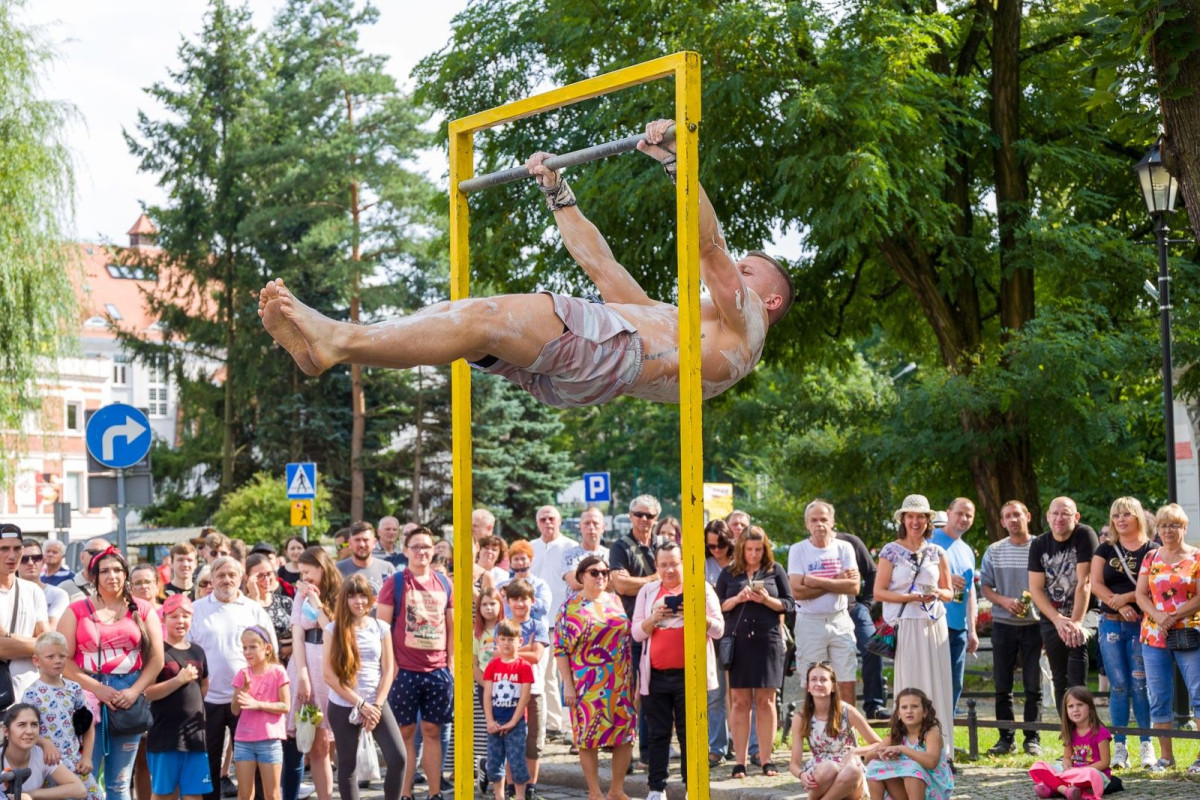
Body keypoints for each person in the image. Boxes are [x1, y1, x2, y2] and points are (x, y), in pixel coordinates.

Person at [258, 118, 793, 409]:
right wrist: (559, 194)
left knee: (483, 316)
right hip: (592, 375)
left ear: (769, 301)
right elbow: (601, 268)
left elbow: (710, 250)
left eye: (749, 275)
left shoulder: (747, 330)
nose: (736, 278)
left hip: (614, 352)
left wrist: (681, 162)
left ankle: (338, 341)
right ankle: (335, 346)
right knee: (467, 326)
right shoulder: (681, 325)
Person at [57, 547, 164, 800]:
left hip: (128, 696)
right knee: (83, 776)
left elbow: (157, 659)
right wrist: (97, 689)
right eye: (104, 571)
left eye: (117, 570)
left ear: (126, 574)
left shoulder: (143, 608)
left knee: (119, 782)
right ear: (93, 577)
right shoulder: (76, 610)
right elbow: (63, 661)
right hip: (86, 695)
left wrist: (134, 691)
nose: (112, 575)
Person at [631, 541, 724, 800]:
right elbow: (636, 633)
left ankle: (690, 787)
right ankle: (656, 788)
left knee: (689, 734)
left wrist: (696, 615)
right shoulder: (648, 592)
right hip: (657, 676)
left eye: (674, 563)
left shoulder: (701, 588)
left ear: (683, 562)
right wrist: (654, 619)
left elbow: (719, 629)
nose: (669, 570)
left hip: (690, 676)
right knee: (658, 734)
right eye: (663, 565)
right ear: (656, 566)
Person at [872, 494, 954, 762]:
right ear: (903, 520)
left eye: (920, 517)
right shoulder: (890, 551)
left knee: (937, 684)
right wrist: (910, 597)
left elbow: (950, 592)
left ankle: (941, 751)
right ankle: (907, 747)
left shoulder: (937, 552)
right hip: (906, 624)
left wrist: (936, 593)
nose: (915, 521)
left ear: (928, 520)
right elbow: (879, 592)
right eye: (911, 516)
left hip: (933, 624)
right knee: (910, 684)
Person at [188, 557, 275, 800]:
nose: (226, 580)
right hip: (207, 699)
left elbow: (271, 652)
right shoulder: (196, 609)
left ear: (241, 578)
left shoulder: (254, 609)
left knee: (250, 763)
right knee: (209, 763)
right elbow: (186, 651)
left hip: (248, 700)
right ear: (212, 578)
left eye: (232, 575)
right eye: (221, 575)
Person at [377, 526, 454, 800]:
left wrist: (451, 666)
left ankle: (435, 793)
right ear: (406, 550)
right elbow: (381, 629)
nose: (422, 551)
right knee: (405, 732)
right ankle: (406, 793)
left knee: (433, 731)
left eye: (427, 547)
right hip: (404, 671)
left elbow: (451, 628)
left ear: (434, 551)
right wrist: (391, 667)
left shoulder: (445, 583)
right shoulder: (395, 583)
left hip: (437, 671)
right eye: (416, 546)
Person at [553, 555, 636, 800]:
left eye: (604, 572)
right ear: (581, 577)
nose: (601, 576)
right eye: (594, 572)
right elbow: (560, 649)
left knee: (625, 735)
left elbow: (628, 640)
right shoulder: (569, 607)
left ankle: (616, 790)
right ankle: (594, 791)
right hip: (586, 682)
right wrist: (567, 684)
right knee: (588, 738)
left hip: (620, 681)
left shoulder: (615, 601)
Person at [714, 525, 794, 778]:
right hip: (739, 641)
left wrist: (765, 600)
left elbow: (789, 604)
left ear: (765, 549)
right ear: (741, 549)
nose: (754, 554)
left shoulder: (775, 570)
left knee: (766, 701)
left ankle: (766, 758)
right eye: (749, 549)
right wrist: (738, 598)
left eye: (758, 549)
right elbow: (718, 606)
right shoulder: (729, 573)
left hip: (767, 640)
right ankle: (740, 761)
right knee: (739, 701)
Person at [322, 575, 405, 800]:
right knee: (348, 765)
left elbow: (389, 670)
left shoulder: (381, 627)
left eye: (362, 595)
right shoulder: (332, 630)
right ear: (344, 600)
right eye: (352, 596)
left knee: (398, 758)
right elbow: (329, 675)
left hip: (377, 702)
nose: (358, 601)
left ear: (370, 599)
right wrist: (360, 704)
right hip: (344, 704)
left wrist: (375, 706)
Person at [1090, 496, 1157, 770]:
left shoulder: (1152, 550)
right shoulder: (1104, 549)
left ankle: (1146, 745)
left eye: (1126, 514)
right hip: (1110, 624)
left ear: (1138, 517)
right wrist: (1117, 603)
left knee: (1141, 687)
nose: (1120, 519)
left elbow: (1153, 586)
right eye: (1115, 515)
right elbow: (1094, 584)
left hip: (1140, 624)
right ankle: (1120, 747)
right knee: (1118, 687)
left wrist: (1127, 600)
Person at [1135, 503, 1200, 774]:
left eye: (1174, 525)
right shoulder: (1151, 557)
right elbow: (1140, 595)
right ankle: (1166, 758)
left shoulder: (1197, 557)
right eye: (1163, 525)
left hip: (1189, 633)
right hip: (1154, 636)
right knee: (1159, 698)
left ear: (1184, 528)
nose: (1168, 530)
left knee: (1198, 695)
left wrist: (1171, 615)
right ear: (1157, 529)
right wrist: (1159, 617)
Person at [980, 500, 1044, 757]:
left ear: (1027, 516)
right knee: (1002, 685)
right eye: (1007, 516)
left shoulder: (1040, 547)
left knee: (1033, 685)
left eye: (1017, 514)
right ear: (1002, 521)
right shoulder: (994, 550)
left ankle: (1032, 738)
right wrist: (1004, 601)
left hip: (1034, 626)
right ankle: (1006, 738)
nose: (1013, 520)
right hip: (1003, 625)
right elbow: (985, 587)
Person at [1030, 496, 1100, 715]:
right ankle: (1068, 737)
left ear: (1076, 517)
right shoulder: (1039, 544)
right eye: (1055, 513)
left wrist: (1076, 623)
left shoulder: (1084, 534)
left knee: (1077, 679)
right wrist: (1058, 619)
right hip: (1053, 616)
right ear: (1048, 517)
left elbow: (1084, 582)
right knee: (1059, 679)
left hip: (1085, 611)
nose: (1059, 518)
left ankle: (1085, 736)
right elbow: (1036, 589)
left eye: (1066, 513)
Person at [787, 500, 860, 703]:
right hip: (810, 622)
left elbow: (854, 587)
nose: (819, 524)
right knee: (813, 682)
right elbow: (797, 591)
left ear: (833, 522)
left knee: (846, 680)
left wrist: (815, 581)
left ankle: (847, 731)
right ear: (806, 524)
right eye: (814, 520)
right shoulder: (798, 550)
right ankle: (815, 732)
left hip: (839, 620)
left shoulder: (844, 548)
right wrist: (837, 581)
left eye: (824, 519)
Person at [609, 494, 662, 766]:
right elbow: (620, 585)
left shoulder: (664, 545)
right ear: (630, 516)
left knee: (652, 693)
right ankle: (624, 755)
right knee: (629, 693)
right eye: (639, 514)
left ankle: (649, 753)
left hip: (664, 629)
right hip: (632, 628)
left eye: (649, 515)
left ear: (656, 519)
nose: (644, 520)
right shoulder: (621, 547)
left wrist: (638, 581)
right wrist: (654, 579)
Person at [145, 594, 211, 800]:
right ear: (163, 619)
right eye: (174, 616)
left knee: (194, 795)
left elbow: (204, 685)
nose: (180, 621)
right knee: (163, 794)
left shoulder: (198, 651)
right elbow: (146, 692)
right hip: (165, 735)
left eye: (185, 616)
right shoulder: (156, 652)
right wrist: (178, 681)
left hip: (195, 736)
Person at [287, 548, 340, 800]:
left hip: (333, 663)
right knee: (317, 744)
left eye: (309, 571)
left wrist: (318, 604)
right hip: (306, 659)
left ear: (322, 567)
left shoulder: (340, 591)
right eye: (301, 573)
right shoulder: (301, 595)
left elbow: (334, 628)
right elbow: (297, 634)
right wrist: (302, 674)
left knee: (337, 741)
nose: (305, 577)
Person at [22, 632, 101, 800]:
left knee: (94, 795)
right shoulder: (31, 694)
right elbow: (24, 729)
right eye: (50, 656)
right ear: (36, 661)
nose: (57, 660)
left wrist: (87, 757)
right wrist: (45, 744)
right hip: (46, 765)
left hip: (74, 762)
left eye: (62, 656)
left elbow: (88, 725)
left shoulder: (74, 689)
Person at [787, 662, 881, 800]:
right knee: (828, 768)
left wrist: (855, 751)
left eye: (823, 679)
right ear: (808, 687)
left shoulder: (847, 711)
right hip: (821, 774)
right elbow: (794, 763)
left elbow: (879, 743)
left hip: (848, 774)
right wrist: (801, 775)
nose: (818, 683)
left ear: (832, 687)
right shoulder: (801, 717)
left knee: (853, 771)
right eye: (813, 679)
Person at [930, 497, 979, 716]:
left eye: (969, 515)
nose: (964, 518)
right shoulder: (930, 540)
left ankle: (945, 740)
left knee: (954, 684)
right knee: (930, 684)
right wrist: (946, 578)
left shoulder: (968, 551)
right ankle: (925, 741)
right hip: (932, 623)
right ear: (948, 513)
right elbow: (914, 577)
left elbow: (970, 594)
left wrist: (973, 630)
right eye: (959, 513)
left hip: (959, 628)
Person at [501, 580, 549, 797]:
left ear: (532, 601)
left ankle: (530, 786)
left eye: (524, 599)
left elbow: (536, 657)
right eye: (515, 599)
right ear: (508, 601)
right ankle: (512, 786)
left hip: (534, 690)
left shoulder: (538, 625)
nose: (520, 604)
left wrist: (514, 652)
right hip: (508, 691)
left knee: (534, 741)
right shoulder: (503, 626)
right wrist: (525, 648)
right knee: (512, 739)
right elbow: (498, 657)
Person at [529, 505, 573, 742]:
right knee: (544, 674)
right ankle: (550, 723)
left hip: (562, 620)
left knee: (563, 674)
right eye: (543, 519)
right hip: (538, 623)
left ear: (560, 521)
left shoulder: (569, 547)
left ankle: (559, 723)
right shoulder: (532, 547)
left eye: (551, 518)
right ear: (537, 522)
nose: (547, 523)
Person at [1029, 687, 1120, 799]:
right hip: (1073, 773)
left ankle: (1053, 788)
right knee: (1039, 766)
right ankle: (1065, 790)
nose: (1075, 709)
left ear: (1090, 707)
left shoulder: (1101, 732)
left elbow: (1105, 763)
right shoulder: (1070, 731)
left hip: (1094, 773)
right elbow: (1067, 757)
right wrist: (1067, 766)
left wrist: (1080, 770)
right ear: (1066, 710)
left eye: (1080, 705)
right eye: (1070, 706)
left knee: (1089, 774)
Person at [231, 626, 289, 800]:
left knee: (273, 794)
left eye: (253, 647)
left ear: (267, 648)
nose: (247, 652)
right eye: (244, 647)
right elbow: (234, 710)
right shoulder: (242, 674)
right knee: (245, 795)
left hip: (269, 741)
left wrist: (258, 704)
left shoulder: (278, 671)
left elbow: (285, 706)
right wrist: (243, 690)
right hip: (243, 741)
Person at [864, 688, 953, 800]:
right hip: (906, 789)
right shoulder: (896, 734)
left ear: (924, 712)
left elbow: (931, 762)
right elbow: (868, 758)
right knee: (875, 766)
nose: (909, 711)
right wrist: (885, 753)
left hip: (934, 790)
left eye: (914, 706)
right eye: (904, 707)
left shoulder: (931, 733)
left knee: (912, 768)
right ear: (899, 714)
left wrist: (902, 749)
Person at [483, 620, 534, 800]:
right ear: (497, 640)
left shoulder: (524, 667)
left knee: (517, 761)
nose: (506, 643)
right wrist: (489, 721)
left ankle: (520, 796)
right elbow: (487, 695)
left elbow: (525, 697)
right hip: (495, 722)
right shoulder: (492, 666)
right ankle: (499, 796)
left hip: (516, 724)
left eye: (511, 639)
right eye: (503, 639)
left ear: (519, 641)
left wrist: (513, 722)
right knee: (495, 761)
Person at [0, 526, 50, 702]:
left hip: (30, 697)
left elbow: (48, 645)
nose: (12, 555)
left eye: (17, 548)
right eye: (4, 548)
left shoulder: (33, 591)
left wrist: (8, 636)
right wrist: (34, 645)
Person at [0, 703, 87, 800]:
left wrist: (32, 794)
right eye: (21, 725)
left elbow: (80, 789)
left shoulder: (41, 756)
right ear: (6, 731)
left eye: (34, 725)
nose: (29, 731)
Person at [703, 519, 734, 766]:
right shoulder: (704, 564)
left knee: (743, 694)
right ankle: (717, 746)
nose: (716, 550)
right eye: (711, 546)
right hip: (713, 635)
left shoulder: (738, 562)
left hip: (738, 631)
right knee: (715, 694)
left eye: (720, 544)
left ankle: (743, 742)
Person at [473, 588, 505, 784]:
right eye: (484, 604)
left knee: (507, 730)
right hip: (486, 686)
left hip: (507, 685)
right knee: (491, 728)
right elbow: (474, 665)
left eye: (492, 603)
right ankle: (491, 768)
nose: (488, 608)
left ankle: (495, 768)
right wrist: (487, 685)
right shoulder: (476, 634)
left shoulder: (506, 630)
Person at [246, 555, 293, 664]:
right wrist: (255, 599)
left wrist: (292, 646)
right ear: (248, 578)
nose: (266, 580)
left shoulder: (285, 602)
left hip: (290, 665)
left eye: (269, 574)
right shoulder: (244, 606)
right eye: (260, 576)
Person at [497, 541, 552, 624]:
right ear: (510, 562)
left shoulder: (540, 584)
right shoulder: (501, 586)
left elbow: (544, 609)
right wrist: (500, 597)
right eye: (516, 559)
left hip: (535, 631)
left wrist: (522, 596)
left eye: (523, 558)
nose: (519, 562)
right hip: (509, 632)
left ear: (530, 560)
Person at [335, 522, 395, 597]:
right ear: (350, 543)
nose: (362, 544)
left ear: (374, 543)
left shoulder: (387, 569)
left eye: (365, 540)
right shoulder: (337, 569)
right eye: (357, 540)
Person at [20, 540, 69, 629]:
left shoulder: (58, 594)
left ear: (43, 561)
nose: (30, 563)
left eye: (36, 558)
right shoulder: (6, 594)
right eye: (24, 559)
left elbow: (49, 633)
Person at [562, 507, 610, 596]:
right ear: (580, 527)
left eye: (595, 523)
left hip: (604, 607)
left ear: (603, 527)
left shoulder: (611, 555)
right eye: (587, 523)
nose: (591, 527)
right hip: (577, 608)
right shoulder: (570, 555)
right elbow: (575, 583)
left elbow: (619, 583)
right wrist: (606, 582)